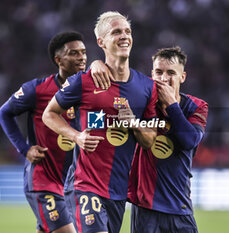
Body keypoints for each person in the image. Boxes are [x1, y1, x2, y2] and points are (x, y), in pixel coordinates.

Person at [42, 11, 157, 233]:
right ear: (101, 42)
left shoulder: (147, 87)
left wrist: (133, 123)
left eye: (127, 31)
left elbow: (150, 140)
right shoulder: (83, 81)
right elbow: (49, 114)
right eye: (116, 32)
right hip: (84, 185)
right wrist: (76, 136)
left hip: (118, 191)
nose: (124, 36)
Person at [0, 31, 109, 233]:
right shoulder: (37, 90)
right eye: (74, 53)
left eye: (83, 52)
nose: (82, 57)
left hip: (74, 184)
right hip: (44, 181)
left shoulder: (91, 92)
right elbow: (4, 113)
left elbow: (94, 127)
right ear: (58, 60)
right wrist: (25, 149)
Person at [128, 46, 208, 233]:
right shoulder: (140, 103)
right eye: (159, 72)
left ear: (183, 77)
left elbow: (189, 141)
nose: (164, 78)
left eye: (171, 73)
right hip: (146, 208)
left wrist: (172, 105)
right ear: (151, 74)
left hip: (179, 207)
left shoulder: (196, 106)